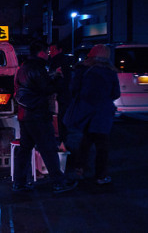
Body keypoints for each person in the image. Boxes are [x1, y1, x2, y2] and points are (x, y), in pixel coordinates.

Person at [13, 40, 77, 193]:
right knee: (48, 148)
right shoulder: (38, 67)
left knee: (25, 149)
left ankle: (19, 182)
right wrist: (59, 79)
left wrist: (52, 76)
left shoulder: (23, 68)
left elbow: (31, 86)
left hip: (24, 114)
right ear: (41, 53)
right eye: (47, 52)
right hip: (38, 114)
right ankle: (58, 182)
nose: (48, 55)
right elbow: (46, 88)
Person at [64, 44, 120, 185]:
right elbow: (116, 93)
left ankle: (79, 169)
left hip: (86, 111)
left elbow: (74, 89)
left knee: (85, 141)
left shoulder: (82, 69)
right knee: (102, 145)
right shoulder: (110, 72)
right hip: (102, 113)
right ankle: (100, 176)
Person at [49, 42, 75, 145]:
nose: (51, 53)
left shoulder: (58, 61)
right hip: (65, 94)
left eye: (53, 50)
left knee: (62, 117)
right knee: (63, 117)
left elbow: (62, 79)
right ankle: (63, 139)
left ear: (60, 50)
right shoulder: (65, 61)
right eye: (50, 50)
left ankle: (63, 140)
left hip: (62, 94)